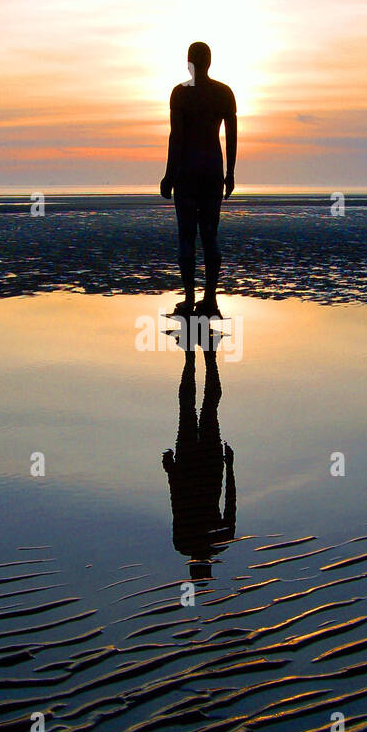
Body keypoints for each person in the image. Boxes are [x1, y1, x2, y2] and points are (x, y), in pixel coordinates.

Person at [160, 41, 236, 319]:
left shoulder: (180, 94)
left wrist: (169, 174)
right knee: (210, 235)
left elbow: (176, 136)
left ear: (190, 62)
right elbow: (232, 137)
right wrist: (230, 172)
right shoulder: (224, 93)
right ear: (210, 62)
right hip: (213, 170)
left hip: (187, 171)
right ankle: (210, 299)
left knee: (187, 236)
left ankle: (192, 297)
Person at [162, 330, 236, 582]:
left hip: (200, 468)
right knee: (201, 407)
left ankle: (195, 354)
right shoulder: (210, 541)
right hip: (205, 467)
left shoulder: (188, 543)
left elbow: (178, 505)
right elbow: (229, 503)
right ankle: (204, 353)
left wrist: (171, 470)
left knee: (199, 407)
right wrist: (230, 466)